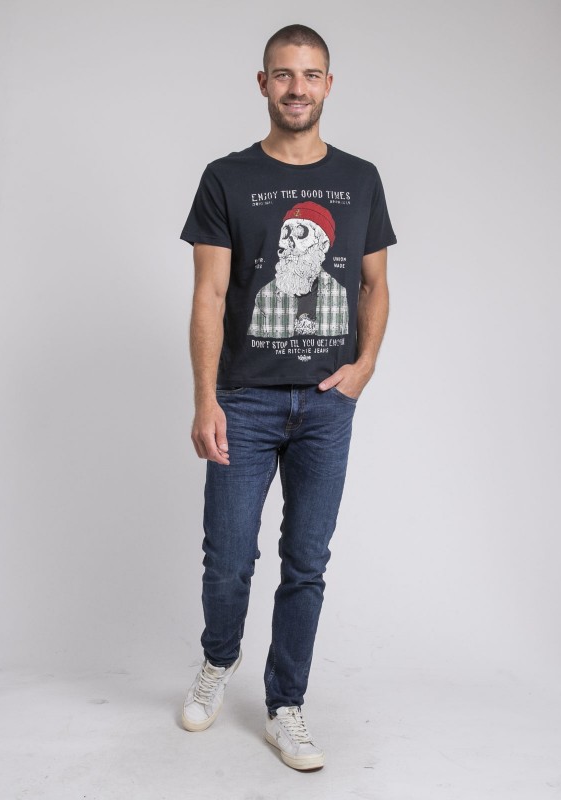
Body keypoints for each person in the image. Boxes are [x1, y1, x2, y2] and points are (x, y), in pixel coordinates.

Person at [179, 23, 397, 771]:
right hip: (243, 400)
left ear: (328, 85)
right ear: (263, 83)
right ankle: (219, 658)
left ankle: (286, 705)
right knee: (228, 558)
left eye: (309, 75)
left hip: (326, 407)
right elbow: (209, 295)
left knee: (306, 560)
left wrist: (364, 366)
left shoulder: (361, 178)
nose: (296, 88)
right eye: (283, 74)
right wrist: (206, 398)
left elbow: (374, 284)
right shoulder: (226, 177)